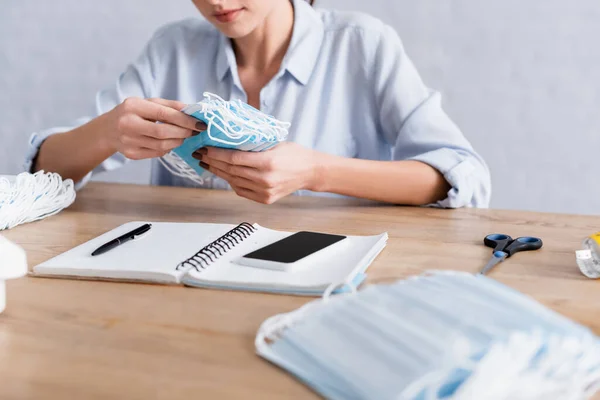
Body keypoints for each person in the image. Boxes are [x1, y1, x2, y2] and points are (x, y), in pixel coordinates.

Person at [26, 0, 491, 207]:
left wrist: (316, 172)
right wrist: (108, 131)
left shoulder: (362, 45)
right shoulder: (172, 48)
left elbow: (463, 176)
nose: (215, 0)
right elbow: (47, 170)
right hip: (187, 286)